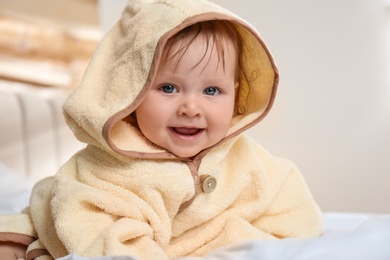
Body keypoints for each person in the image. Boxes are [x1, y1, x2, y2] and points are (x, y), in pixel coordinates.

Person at [0, 0, 323, 259]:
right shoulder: (111, 167)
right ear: (132, 94)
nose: (191, 108)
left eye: (211, 91)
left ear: (236, 94)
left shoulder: (248, 160)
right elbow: (91, 223)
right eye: (168, 88)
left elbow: (295, 215)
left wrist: (238, 238)